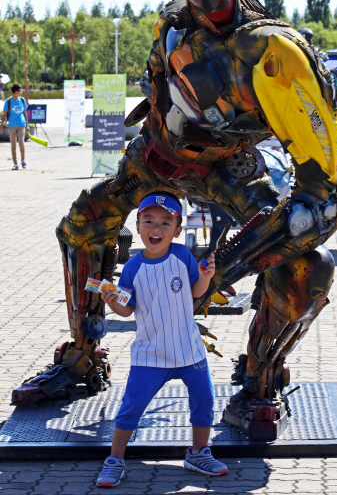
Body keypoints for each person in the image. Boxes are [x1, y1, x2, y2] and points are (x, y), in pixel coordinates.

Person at [96, 193, 228, 488]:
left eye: (165, 222)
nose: (156, 227)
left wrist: (206, 277)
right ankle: (115, 459)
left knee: (204, 402)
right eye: (149, 221)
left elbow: (196, 292)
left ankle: (198, 453)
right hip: (150, 355)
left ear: (177, 230)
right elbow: (127, 308)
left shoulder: (182, 255)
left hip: (190, 351)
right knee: (131, 408)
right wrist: (112, 301)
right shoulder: (132, 267)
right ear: (139, 227)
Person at [1, 84, 29, 170]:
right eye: (21, 90)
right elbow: (4, 114)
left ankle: (23, 160)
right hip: (11, 126)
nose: (22, 92)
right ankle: (15, 163)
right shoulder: (8, 101)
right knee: (13, 145)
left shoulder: (22, 99)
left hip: (21, 124)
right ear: (16, 92)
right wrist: (1, 126)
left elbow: (25, 113)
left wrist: (27, 124)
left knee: (21, 143)